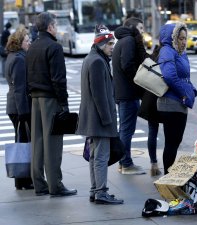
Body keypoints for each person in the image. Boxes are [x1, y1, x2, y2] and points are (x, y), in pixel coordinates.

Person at [26, 12, 77, 197]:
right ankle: (55, 185)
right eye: (55, 25)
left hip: (35, 99)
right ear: (49, 27)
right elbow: (58, 79)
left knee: (37, 142)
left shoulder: (31, 47)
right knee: (53, 143)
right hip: (50, 99)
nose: (57, 29)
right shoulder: (54, 47)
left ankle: (39, 183)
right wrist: (64, 103)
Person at [76, 24, 123, 205]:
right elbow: (99, 95)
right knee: (101, 156)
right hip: (99, 119)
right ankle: (101, 192)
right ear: (102, 44)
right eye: (110, 44)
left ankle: (95, 190)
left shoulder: (92, 58)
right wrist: (107, 120)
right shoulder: (97, 61)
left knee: (95, 156)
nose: (112, 47)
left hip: (93, 118)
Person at [157, 22, 197, 174]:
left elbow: (184, 76)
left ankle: (169, 175)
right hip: (171, 102)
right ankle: (168, 176)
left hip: (178, 102)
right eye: (180, 38)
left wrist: (191, 90)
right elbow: (169, 76)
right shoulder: (167, 50)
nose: (183, 41)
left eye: (185, 38)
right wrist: (184, 93)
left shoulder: (180, 52)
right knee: (172, 142)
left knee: (175, 141)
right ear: (172, 37)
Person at [112, 17, 146, 175]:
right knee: (126, 130)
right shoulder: (129, 41)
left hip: (124, 93)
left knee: (125, 129)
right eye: (140, 27)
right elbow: (127, 65)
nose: (143, 30)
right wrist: (139, 79)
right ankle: (126, 163)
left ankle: (124, 162)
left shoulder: (123, 41)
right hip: (128, 93)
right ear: (133, 28)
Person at [5, 25, 33, 190]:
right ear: (19, 43)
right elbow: (19, 87)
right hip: (19, 108)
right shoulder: (19, 59)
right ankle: (24, 179)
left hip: (14, 107)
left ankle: (20, 180)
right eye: (27, 41)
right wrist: (24, 112)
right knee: (24, 144)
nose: (29, 43)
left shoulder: (12, 56)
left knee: (21, 142)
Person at [137, 44, 162, 176]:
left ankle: (154, 164)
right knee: (170, 135)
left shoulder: (151, 59)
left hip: (149, 100)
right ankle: (168, 165)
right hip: (162, 100)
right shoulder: (168, 60)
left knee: (152, 131)